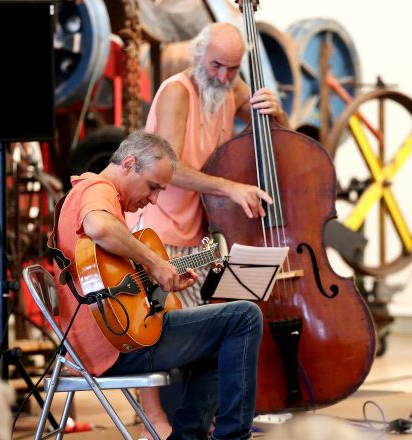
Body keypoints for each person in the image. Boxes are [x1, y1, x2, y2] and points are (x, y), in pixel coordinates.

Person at [125, 21, 287, 437]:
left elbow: (268, 143)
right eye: (216, 65)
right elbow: (171, 167)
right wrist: (232, 189)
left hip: (197, 233)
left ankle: (203, 422)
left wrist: (279, 115)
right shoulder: (179, 91)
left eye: (233, 70)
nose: (224, 77)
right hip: (156, 228)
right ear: (199, 56)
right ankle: (153, 421)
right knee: (152, 320)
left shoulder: (231, 92)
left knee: (209, 328)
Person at [53, 130, 263, 440]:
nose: (153, 199)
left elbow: (112, 284)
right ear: (128, 164)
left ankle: (188, 437)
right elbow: (98, 226)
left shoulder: (93, 194)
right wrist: (155, 262)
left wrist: (161, 283)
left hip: (108, 340)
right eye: (153, 187)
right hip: (113, 347)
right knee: (244, 317)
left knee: (220, 340)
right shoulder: (97, 189)